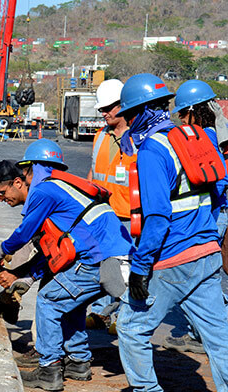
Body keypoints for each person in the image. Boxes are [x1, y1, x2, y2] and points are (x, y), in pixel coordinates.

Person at [100, 74, 228, 392]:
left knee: (131, 326)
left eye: (127, 113)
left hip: (175, 258)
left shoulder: (153, 150)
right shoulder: (195, 138)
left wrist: (141, 268)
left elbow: (156, 217)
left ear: (138, 112)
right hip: (206, 252)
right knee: (218, 335)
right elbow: (220, 188)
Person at [0, 142, 134, 391]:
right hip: (113, 256)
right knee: (70, 302)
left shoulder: (44, 191)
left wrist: (1, 250)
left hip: (99, 258)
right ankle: (78, 362)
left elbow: (24, 233)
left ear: (21, 179)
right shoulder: (64, 187)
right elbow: (53, 249)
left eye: (2, 193)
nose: (2, 200)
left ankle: (49, 369)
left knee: (49, 300)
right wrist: (27, 275)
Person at [162, 79, 228, 354]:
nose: (179, 120)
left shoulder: (206, 138)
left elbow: (219, 181)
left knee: (192, 275)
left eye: (181, 114)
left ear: (192, 111)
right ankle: (200, 330)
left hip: (209, 215)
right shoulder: (216, 134)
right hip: (214, 213)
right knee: (198, 276)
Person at [85, 79, 138, 331]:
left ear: (123, 105)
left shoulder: (138, 139)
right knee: (106, 263)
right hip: (105, 214)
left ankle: (119, 314)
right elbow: (92, 173)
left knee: (127, 269)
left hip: (131, 215)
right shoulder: (100, 137)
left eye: (108, 108)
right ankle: (102, 312)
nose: (104, 113)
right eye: (101, 110)